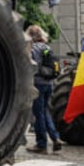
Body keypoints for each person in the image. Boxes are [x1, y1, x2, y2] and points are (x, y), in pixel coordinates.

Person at [26, 24, 61, 153]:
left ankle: (41, 144)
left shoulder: (33, 48)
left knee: (38, 114)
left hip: (38, 84)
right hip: (49, 84)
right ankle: (55, 138)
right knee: (45, 111)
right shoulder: (47, 47)